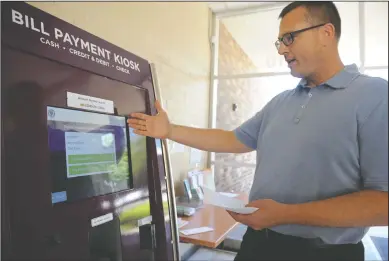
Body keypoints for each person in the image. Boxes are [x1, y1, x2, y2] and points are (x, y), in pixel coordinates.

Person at [128, 1, 388, 260]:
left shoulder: (374, 96)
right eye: (280, 42)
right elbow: (232, 140)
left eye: (289, 38)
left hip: (326, 254)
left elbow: (383, 204)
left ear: (326, 33)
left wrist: (285, 214)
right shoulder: (280, 102)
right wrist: (169, 130)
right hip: (257, 245)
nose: (282, 50)